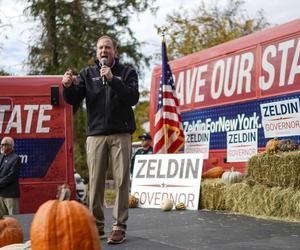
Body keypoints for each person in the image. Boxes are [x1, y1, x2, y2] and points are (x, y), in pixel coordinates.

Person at [62, 35, 139, 244]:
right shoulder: (88, 74)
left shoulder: (127, 72)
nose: (103, 51)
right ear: (97, 52)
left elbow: (133, 97)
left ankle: (119, 227)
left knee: (122, 180)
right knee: (95, 183)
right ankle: (96, 226)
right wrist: (67, 86)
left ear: (115, 51)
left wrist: (113, 80)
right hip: (95, 136)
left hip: (120, 133)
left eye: (107, 47)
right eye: (100, 48)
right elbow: (73, 99)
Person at [0, 136, 21, 215]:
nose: (1, 146)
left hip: (10, 195)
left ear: (10, 146)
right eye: (1, 144)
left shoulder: (16, 158)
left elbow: (12, 176)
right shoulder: (1, 156)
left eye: (3, 144)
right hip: (0, 194)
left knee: (13, 219)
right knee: (2, 221)